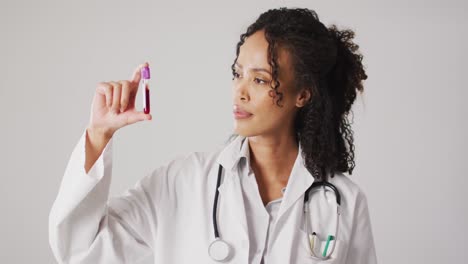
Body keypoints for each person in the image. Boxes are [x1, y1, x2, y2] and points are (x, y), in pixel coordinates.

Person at [49, 7, 377, 264]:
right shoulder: (181, 183)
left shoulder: (342, 202)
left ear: (302, 95)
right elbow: (80, 250)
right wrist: (98, 135)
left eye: (260, 80)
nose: (240, 92)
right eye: (238, 74)